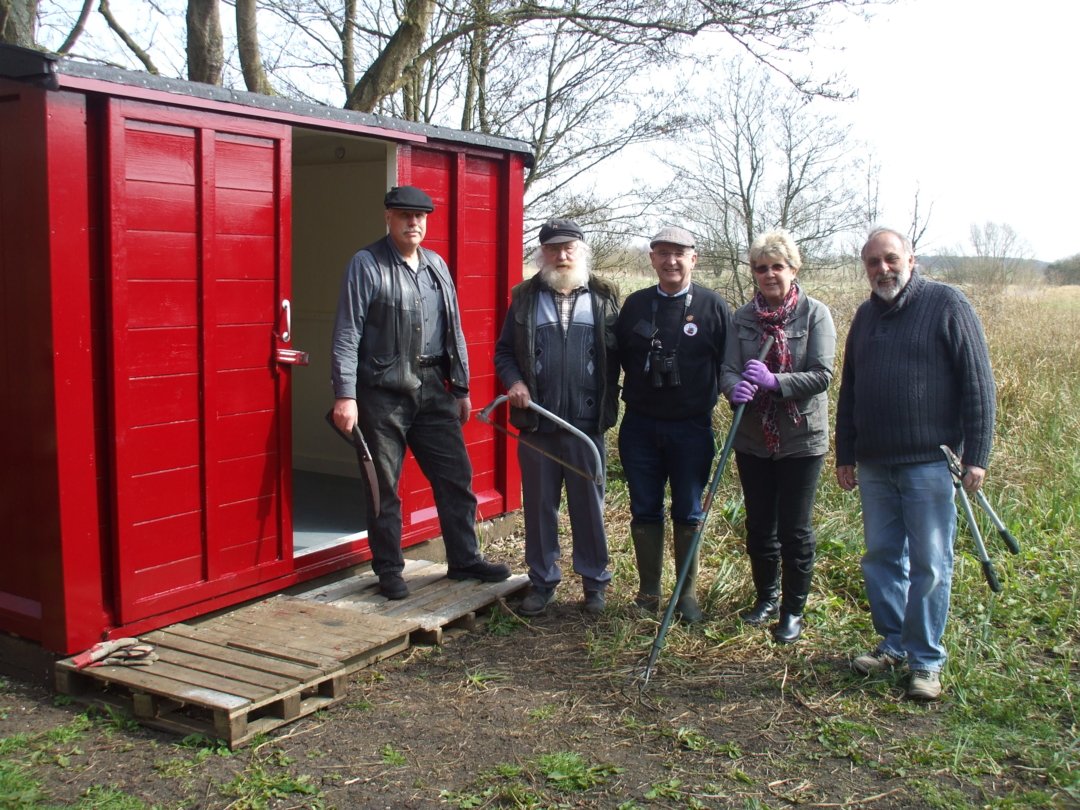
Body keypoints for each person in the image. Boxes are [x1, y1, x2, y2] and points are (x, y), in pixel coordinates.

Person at [836, 227, 996, 700]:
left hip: (929, 463)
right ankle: (893, 645)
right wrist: (846, 452)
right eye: (872, 263)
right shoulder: (865, 316)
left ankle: (925, 660)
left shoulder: (948, 305)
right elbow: (849, 390)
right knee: (881, 558)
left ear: (912, 258)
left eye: (890, 259)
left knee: (930, 562)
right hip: (875, 465)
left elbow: (978, 383)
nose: (882, 269)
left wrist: (977, 456)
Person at [330, 185, 510, 600]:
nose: (414, 223)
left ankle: (464, 560)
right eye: (405, 215)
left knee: (456, 479)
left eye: (420, 216)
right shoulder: (367, 264)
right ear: (388, 217)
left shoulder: (436, 265)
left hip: (434, 389)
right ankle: (389, 570)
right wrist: (345, 395)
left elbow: (455, 329)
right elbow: (347, 333)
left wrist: (461, 386)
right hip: (382, 393)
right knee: (384, 487)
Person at [494, 219, 621, 616]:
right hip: (537, 424)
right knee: (539, 506)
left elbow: (624, 354)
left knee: (589, 507)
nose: (561, 255)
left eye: (568, 248)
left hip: (585, 426)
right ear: (541, 254)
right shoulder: (525, 297)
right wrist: (514, 382)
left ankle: (594, 583)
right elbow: (503, 353)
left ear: (581, 251)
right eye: (553, 248)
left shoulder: (604, 297)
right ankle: (542, 581)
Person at [720, 230, 835, 644]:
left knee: (794, 529)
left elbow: (822, 375)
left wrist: (775, 381)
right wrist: (734, 388)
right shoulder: (742, 318)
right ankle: (765, 598)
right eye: (760, 268)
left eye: (777, 267)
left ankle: (792, 610)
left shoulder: (814, 314)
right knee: (759, 525)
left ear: (793, 268)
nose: (769, 274)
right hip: (752, 439)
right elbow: (728, 368)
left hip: (800, 439)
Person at [615, 226, 732, 623]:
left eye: (679, 254)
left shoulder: (715, 308)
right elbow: (613, 359)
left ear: (693, 258)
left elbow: (730, 368)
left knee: (688, 510)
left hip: (691, 427)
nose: (671, 261)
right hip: (640, 427)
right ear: (652, 259)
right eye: (663, 253)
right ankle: (649, 594)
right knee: (644, 508)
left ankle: (686, 597)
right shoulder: (634, 306)